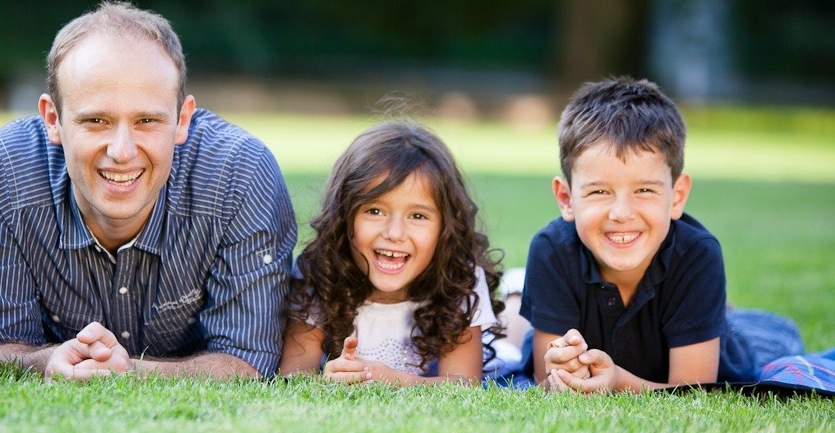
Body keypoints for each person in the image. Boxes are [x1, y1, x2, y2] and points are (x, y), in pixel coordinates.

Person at [0, 1, 297, 380]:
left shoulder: (239, 175)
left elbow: (249, 359)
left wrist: (127, 370)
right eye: (96, 120)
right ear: (54, 119)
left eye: (146, 120)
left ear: (182, 119)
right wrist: (48, 361)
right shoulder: (4, 173)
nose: (122, 152)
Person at [518, 77, 801, 393]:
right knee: (516, 335)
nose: (622, 213)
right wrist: (563, 370)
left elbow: (692, 392)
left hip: (734, 346)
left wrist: (618, 382)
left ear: (677, 196)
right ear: (566, 199)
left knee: (773, 337)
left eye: (644, 190)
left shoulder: (697, 254)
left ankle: (720, 317)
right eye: (599, 191)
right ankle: (517, 293)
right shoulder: (551, 250)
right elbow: (547, 381)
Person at [278, 121, 507, 385]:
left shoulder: (460, 278)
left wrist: (393, 379)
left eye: (418, 216)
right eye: (375, 211)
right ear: (343, 215)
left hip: (500, 358)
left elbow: (464, 384)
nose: (395, 233)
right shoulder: (320, 272)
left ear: (446, 228)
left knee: (510, 358)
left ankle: (516, 291)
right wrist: (327, 379)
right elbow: (293, 376)